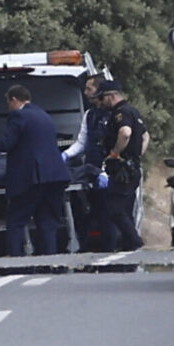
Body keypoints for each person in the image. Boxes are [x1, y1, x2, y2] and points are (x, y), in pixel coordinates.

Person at [0, 84, 71, 256]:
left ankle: (17, 262)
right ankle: (49, 260)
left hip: (32, 178)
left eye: (8, 102)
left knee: (16, 221)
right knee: (47, 221)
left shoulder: (18, 115)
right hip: (54, 176)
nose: (8, 107)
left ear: (13, 99)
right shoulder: (44, 115)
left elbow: (8, 143)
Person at [62, 75, 115, 250]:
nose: (85, 93)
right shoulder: (89, 115)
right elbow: (81, 143)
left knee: (110, 214)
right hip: (91, 170)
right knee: (89, 212)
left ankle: (115, 249)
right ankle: (86, 247)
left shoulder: (114, 114)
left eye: (89, 89)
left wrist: (107, 170)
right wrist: (65, 155)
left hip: (110, 170)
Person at [96, 79, 149, 251]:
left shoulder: (120, 113)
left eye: (102, 98)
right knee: (125, 208)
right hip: (132, 167)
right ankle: (129, 245)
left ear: (111, 96)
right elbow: (145, 136)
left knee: (115, 208)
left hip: (122, 169)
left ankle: (134, 242)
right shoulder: (133, 111)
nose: (100, 103)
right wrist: (137, 155)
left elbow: (125, 133)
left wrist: (115, 153)